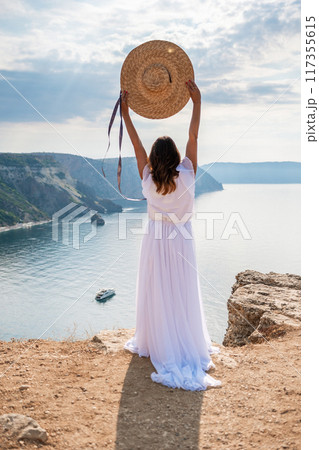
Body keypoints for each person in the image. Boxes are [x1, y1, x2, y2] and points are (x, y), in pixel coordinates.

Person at [122, 80, 222, 391]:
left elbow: (136, 146)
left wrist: (125, 114)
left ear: (153, 158)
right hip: (182, 238)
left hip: (155, 239)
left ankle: (157, 340)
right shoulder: (189, 174)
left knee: (157, 289)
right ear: (177, 155)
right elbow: (193, 135)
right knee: (182, 288)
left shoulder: (148, 179)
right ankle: (185, 339)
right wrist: (197, 103)